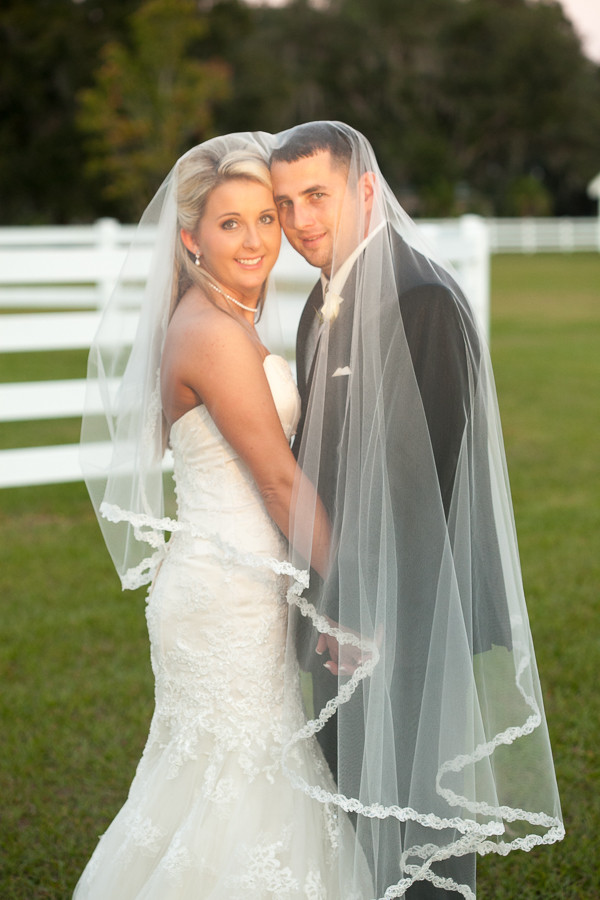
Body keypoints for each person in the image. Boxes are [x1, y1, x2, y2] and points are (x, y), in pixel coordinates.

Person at [269, 122, 564, 898]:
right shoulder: (320, 302)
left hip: (404, 622)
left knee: (412, 830)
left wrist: (359, 614)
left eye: (317, 196)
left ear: (366, 191)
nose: (301, 221)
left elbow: (424, 487)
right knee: (354, 814)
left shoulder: (422, 298)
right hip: (341, 615)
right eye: (286, 203)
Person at [76, 134, 374, 898]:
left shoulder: (220, 319)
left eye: (266, 219)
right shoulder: (212, 335)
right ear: (190, 239)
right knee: (240, 790)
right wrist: (351, 601)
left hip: (239, 586)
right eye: (230, 223)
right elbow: (278, 480)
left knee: (220, 785)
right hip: (227, 599)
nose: (256, 240)